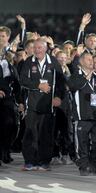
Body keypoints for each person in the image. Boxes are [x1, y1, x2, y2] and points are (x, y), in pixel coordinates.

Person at [19, 38, 65, 171]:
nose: (36, 50)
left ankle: (44, 161)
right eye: (35, 48)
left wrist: (58, 96)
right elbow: (22, 80)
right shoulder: (29, 62)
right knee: (30, 133)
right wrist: (38, 85)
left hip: (48, 105)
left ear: (45, 49)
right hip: (32, 105)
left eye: (39, 48)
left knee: (46, 134)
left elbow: (61, 81)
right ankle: (29, 161)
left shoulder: (53, 62)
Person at [68, 52, 96, 176]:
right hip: (82, 116)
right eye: (88, 60)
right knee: (82, 143)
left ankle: (93, 164)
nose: (91, 62)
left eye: (92, 60)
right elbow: (73, 86)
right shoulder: (76, 75)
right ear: (81, 62)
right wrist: (87, 75)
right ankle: (83, 165)